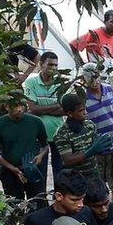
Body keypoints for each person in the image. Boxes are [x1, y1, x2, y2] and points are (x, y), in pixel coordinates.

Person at [0, 99, 48, 203]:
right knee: (15, 206)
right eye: (15, 106)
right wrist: (12, 168)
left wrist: (40, 156)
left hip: (32, 169)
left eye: (21, 105)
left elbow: (45, 146)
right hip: (10, 172)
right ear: (6, 106)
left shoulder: (36, 122)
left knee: (39, 202)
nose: (19, 109)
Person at [81, 62, 113, 197]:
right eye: (90, 79)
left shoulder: (109, 89)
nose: (94, 81)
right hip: (96, 143)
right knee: (98, 176)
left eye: (96, 77)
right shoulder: (82, 96)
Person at [23, 52, 65, 183]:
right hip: (39, 135)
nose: (53, 68)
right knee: (40, 171)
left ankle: (60, 199)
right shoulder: (31, 83)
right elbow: (33, 109)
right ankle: (43, 201)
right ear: (41, 65)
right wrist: (56, 105)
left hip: (58, 133)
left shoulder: (61, 83)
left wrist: (42, 109)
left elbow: (64, 110)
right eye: (50, 65)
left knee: (60, 171)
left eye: (56, 65)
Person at [54, 93, 112, 179]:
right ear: (70, 113)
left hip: (94, 175)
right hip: (75, 179)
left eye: (85, 109)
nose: (85, 112)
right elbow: (68, 160)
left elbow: (97, 147)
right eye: (81, 111)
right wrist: (91, 151)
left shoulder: (89, 125)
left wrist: (102, 145)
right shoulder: (62, 133)